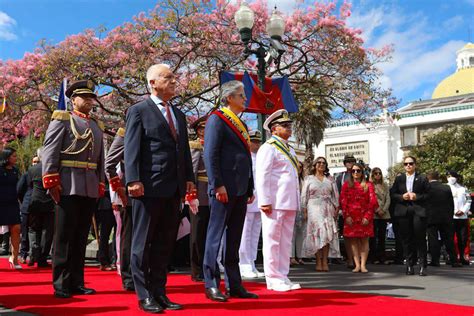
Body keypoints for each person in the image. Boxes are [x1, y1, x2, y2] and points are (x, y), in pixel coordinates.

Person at [124, 64, 195, 313]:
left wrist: (188, 178)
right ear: (153, 83)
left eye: (175, 77)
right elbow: (131, 148)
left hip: (173, 188)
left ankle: (159, 292)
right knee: (142, 243)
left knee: (165, 243)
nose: (175, 81)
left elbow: (183, 150)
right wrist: (133, 179)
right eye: (169, 77)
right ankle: (143, 295)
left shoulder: (179, 115)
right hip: (147, 187)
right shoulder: (139, 111)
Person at [42, 80, 106, 298]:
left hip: (88, 185)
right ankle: (61, 283)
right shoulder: (63, 119)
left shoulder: (96, 125)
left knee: (80, 236)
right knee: (64, 236)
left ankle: (77, 281)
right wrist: (51, 179)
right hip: (67, 183)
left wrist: (100, 182)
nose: (89, 101)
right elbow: (50, 151)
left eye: (91, 97)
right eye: (84, 97)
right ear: (73, 99)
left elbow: (101, 159)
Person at [203, 80, 257, 302]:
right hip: (223, 188)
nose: (245, 99)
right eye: (241, 95)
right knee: (215, 237)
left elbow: (245, 157)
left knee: (234, 238)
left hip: (240, 188)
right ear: (229, 98)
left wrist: (250, 185)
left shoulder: (241, 124)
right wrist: (217, 184)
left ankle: (234, 284)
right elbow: (211, 154)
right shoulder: (217, 119)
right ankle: (211, 283)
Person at [256, 109, 301, 292]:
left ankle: (283, 275)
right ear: (274, 129)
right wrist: (264, 200)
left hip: (289, 201)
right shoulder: (268, 147)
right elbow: (262, 175)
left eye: (289, 125)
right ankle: (273, 278)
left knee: (285, 242)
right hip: (274, 202)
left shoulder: (289, 148)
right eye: (285, 125)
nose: (289, 128)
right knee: (272, 240)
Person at [105, 126, 134, 290]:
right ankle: (128, 275)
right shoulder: (124, 134)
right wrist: (119, 190)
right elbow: (110, 165)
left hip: (151, 192)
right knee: (127, 235)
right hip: (129, 192)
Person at [390, 156, 430, 276]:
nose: (408, 166)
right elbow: (393, 193)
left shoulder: (422, 178)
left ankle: (423, 265)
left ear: (415, 165)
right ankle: (409, 265)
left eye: (411, 163)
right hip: (404, 210)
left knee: (420, 238)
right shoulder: (399, 179)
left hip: (418, 210)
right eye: (406, 164)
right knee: (407, 239)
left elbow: (429, 194)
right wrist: (402, 197)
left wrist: (416, 196)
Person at [301, 157, 340, 272]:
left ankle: (325, 261)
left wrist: (336, 208)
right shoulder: (309, 179)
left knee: (327, 235)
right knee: (317, 235)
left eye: (323, 163)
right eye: (319, 162)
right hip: (313, 208)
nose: (321, 164)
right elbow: (304, 196)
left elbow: (335, 195)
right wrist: (304, 211)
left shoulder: (330, 179)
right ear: (315, 165)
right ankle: (318, 261)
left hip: (327, 208)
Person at [340, 163, 378, 273]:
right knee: (353, 241)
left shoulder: (368, 185)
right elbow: (343, 201)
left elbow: (372, 202)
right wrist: (346, 216)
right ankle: (356, 265)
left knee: (364, 241)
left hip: (364, 217)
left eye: (358, 171)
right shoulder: (346, 185)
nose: (356, 173)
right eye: (353, 171)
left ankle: (363, 265)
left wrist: (368, 216)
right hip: (351, 217)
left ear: (362, 172)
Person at [239, 130, 265, 279]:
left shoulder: (261, 158)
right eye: (254, 141)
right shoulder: (244, 157)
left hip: (260, 200)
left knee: (255, 234)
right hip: (248, 199)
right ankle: (243, 264)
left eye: (258, 141)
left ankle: (252, 263)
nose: (257, 144)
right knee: (245, 233)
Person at [188, 116, 210, 282]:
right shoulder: (195, 146)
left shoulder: (212, 144)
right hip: (200, 194)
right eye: (202, 129)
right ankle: (197, 269)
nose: (204, 131)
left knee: (209, 233)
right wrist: (192, 195)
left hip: (211, 193)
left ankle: (208, 266)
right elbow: (192, 172)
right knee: (197, 233)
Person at [25, 147, 54, 267]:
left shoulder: (32, 169)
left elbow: (27, 186)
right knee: (47, 231)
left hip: (35, 202)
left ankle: (33, 252)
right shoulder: (53, 169)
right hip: (49, 204)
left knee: (33, 229)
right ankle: (42, 257)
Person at [425, 171, 460, 267]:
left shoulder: (427, 188)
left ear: (428, 178)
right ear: (438, 177)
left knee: (433, 239)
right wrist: (450, 216)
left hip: (431, 218)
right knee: (449, 239)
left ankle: (435, 260)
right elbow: (451, 204)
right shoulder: (446, 187)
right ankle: (454, 260)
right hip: (446, 217)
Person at [0, 147, 22, 269]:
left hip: (12, 204)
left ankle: (14, 259)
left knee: (16, 229)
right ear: (7, 157)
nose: (16, 158)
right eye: (13, 156)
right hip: (0, 203)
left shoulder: (15, 170)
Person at [335, 154, 357, 268]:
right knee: (347, 235)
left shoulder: (361, 174)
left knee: (358, 235)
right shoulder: (340, 177)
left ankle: (358, 259)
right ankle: (350, 259)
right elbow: (337, 194)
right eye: (347, 161)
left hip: (358, 209)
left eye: (351, 161)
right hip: (345, 209)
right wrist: (339, 209)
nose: (349, 163)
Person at [447, 171, 471, 265]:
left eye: (453, 176)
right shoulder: (445, 188)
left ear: (456, 177)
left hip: (462, 217)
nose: (451, 178)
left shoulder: (464, 188)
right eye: (449, 176)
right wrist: (454, 211)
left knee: (462, 238)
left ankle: (461, 256)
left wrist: (463, 210)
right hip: (450, 217)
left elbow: (469, 200)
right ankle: (450, 256)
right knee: (450, 238)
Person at [17, 156, 37, 263]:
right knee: (24, 232)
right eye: (34, 161)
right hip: (27, 205)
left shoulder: (44, 173)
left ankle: (33, 255)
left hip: (39, 207)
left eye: (37, 161)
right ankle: (23, 254)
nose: (35, 163)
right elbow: (19, 190)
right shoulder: (27, 174)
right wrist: (23, 200)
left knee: (35, 232)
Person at [368, 167, 391, 264]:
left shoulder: (385, 185)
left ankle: (382, 257)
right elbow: (370, 199)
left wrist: (384, 209)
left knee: (382, 237)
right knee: (373, 237)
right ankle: (373, 257)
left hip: (384, 214)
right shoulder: (370, 185)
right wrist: (377, 210)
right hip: (374, 214)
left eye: (379, 173)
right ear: (372, 175)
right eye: (375, 173)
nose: (377, 175)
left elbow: (388, 198)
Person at [290, 161, 306, 266]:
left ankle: (300, 256)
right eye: (297, 167)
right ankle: (291, 257)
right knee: (292, 233)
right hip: (292, 208)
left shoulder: (304, 181)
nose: (298, 169)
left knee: (301, 233)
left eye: (300, 167)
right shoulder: (291, 179)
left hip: (302, 209)